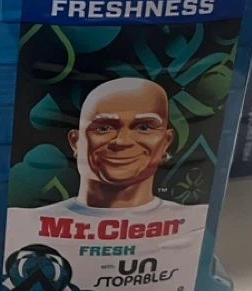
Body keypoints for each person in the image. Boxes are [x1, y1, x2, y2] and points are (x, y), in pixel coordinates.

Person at [63, 77, 177, 212]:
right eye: (104, 128)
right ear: (75, 142)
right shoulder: (39, 219)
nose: (122, 141)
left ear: (166, 142)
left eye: (144, 128)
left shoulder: (193, 217)